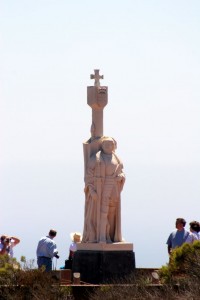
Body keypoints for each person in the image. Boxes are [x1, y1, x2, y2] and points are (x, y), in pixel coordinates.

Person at [82, 136, 125, 243]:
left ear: (114, 146)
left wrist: (121, 177)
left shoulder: (117, 158)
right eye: (106, 144)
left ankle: (109, 235)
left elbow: (121, 172)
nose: (109, 146)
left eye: (111, 144)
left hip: (114, 187)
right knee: (103, 212)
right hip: (102, 187)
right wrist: (92, 190)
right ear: (102, 146)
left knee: (112, 212)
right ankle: (101, 236)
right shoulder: (96, 158)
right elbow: (88, 176)